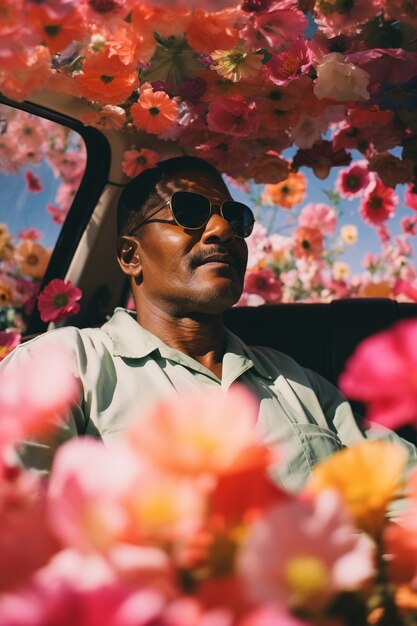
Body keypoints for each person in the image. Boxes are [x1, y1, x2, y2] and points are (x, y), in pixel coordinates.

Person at [2, 156, 416, 493]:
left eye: (236, 218)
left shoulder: (295, 380)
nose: (222, 230)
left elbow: (402, 488)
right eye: (189, 212)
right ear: (130, 256)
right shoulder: (60, 365)